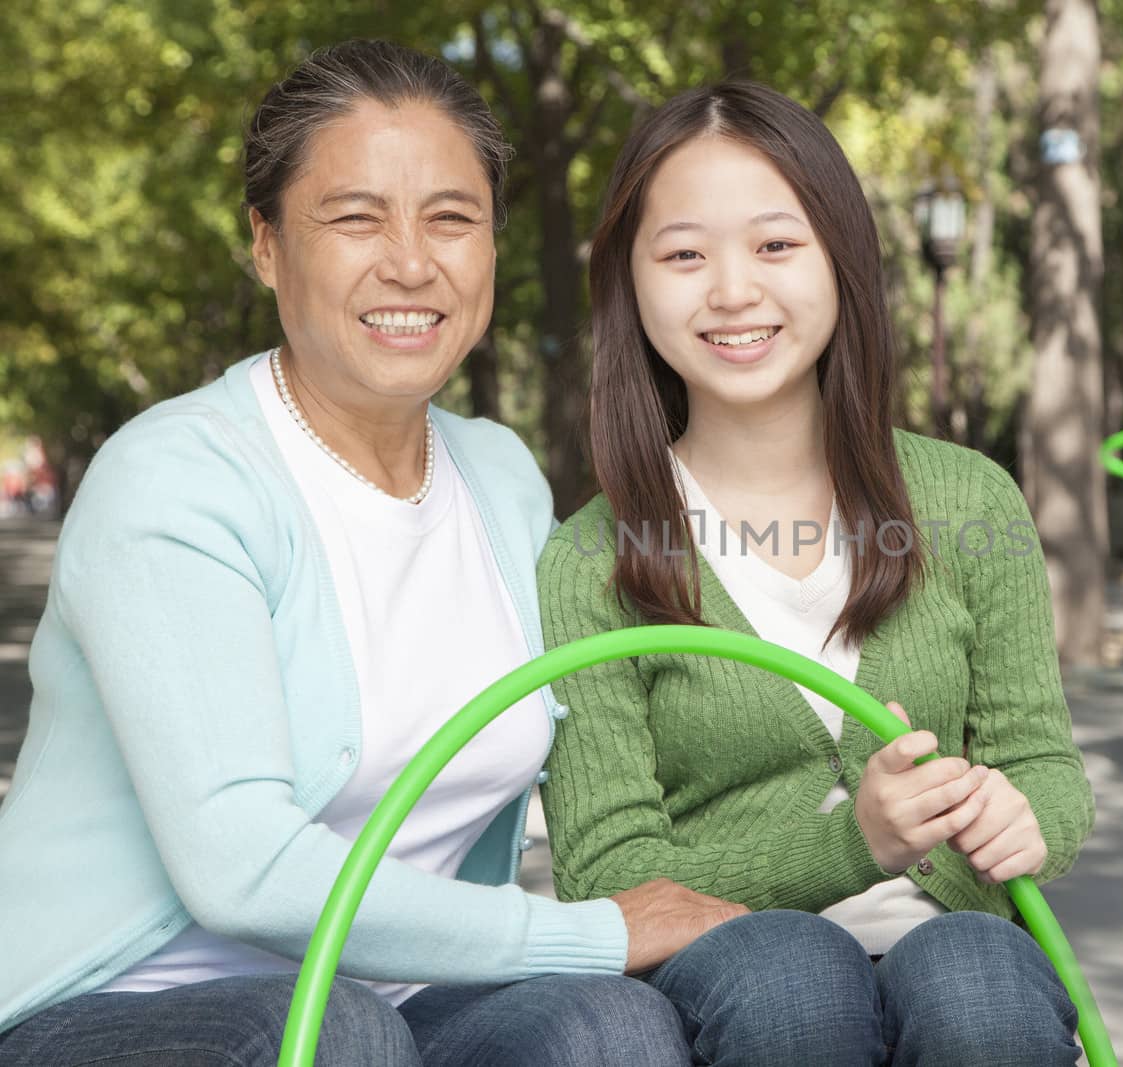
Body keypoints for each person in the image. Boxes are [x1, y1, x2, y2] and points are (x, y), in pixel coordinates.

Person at [0, 41, 745, 1067]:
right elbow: (243, 871)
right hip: (111, 1006)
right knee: (344, 1035)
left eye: (451, 217)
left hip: (404, 1003)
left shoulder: (501, 475)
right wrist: (598, 933)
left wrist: (853, 816)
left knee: (608, 1026)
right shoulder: (177, 479)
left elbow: (621, 743)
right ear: (266, 245)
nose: (410, 260)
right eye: (355, 217)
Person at [536, 82, 1095, 1066]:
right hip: (735, 979)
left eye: (775, 245)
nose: (732, 290)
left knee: (977, 980)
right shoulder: (591, 558)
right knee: (794, 978)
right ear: (631, 283)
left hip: (954, 941)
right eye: (683, 254)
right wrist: (850, 849)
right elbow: (609, 874)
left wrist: (1027, 817)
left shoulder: (969, 501)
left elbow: (1042, 763)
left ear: (841, 257)